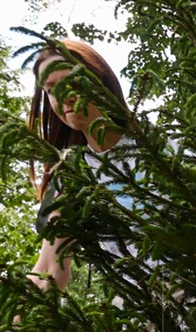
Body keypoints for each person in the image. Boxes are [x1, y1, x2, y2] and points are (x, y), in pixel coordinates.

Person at [27, 39, 136, 294]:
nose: (63, 96)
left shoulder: (166, 146)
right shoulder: (72, 178)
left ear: (101, 81)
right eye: (52, 89)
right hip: (142, 314)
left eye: (72, 81)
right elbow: (47, 271)